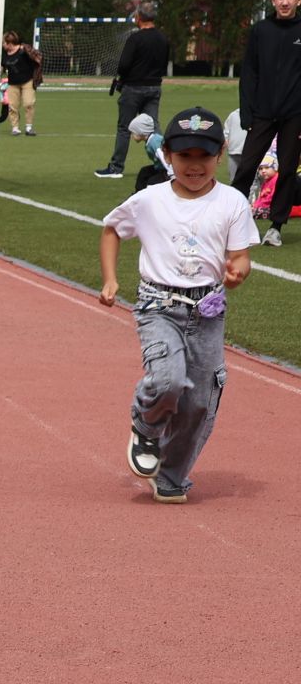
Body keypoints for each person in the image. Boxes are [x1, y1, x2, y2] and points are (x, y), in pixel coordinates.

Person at [98, 107, 256, 504]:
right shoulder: (150, 200)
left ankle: (171, 474)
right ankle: (146, 428)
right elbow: (113, 229)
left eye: (204, 155)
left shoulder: (233, 202)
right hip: (158, 305)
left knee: (199, 401)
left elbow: (240, 257)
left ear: (220, 154)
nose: (195, 165)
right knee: (168, 380)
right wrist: (111, 279)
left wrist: (238, 271)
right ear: (167, 154)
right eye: (185, 155)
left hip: (207, 311)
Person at [228, 0, 301, 248]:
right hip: (262, 112)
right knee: (247, 166)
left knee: (287, 169)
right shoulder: (260, 30)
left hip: (294, 113)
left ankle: (276, 226)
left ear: (298, 0)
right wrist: (247, 112)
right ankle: (231, 220)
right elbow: (249, 72)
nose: (285, 2)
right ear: (273, 0)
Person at [95, 3, 171, 180]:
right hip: (155, 86)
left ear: (139, 17)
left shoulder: (135, 39)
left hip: (134, 87)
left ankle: (116, 166)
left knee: (124, 128)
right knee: (153, 127)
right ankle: (163, 164)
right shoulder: (163, 38)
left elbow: (123, 65)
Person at [1, 30, 39, 135]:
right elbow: (2, 66)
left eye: (4, 42)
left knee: (28, 103)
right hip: (12, 83)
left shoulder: (23, 51)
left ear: (9, 43)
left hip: (27, 81)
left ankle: (29, 127)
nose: (3, 45)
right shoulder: (4, 54)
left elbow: (37, 59)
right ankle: (15, 128)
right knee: (13, 106)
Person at [126, 113, 171, 191]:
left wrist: (172, 174)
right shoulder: (151, 141)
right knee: (144, 172)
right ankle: (138, 195)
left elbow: (165, 158)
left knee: (152, 182)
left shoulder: (154, 142)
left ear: (141, 131)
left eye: (133, 132)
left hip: (168, 170)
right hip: (161, 169)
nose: (132, 135)